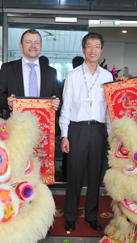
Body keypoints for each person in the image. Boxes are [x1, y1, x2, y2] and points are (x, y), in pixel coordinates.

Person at [59, 32, 113, 232]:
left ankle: (92, 214)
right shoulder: (72, 75)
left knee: (95, 176)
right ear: (83, 50)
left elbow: (108, 109)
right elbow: (65, 107)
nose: (93, 50)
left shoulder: (107, 76)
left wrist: (110, 134)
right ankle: (71, 215)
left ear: (101, 50)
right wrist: (64, 134)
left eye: (97, 46)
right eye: (89, 46)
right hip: (77, 129)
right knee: (74, 174)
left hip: (98, 130)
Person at [0, 29, 60, 119]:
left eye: (36, 43)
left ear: (41, 46)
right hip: (15, 124)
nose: (33, 46)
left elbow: (58, 98)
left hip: (43, 124)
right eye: (28, 42)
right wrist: (8, 103)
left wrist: (57, 102)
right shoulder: (8, 69)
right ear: (21, 46)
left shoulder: (51, 72)